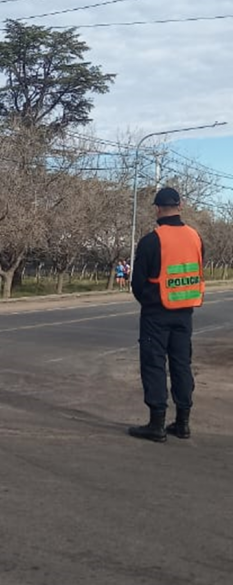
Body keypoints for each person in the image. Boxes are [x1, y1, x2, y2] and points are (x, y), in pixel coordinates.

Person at [127, 187, 204, 443]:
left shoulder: (152, 240)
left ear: (157, 209)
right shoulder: (195, 237)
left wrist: (150, 301)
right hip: (185, 313)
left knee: (154, 364)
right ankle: (182, 423)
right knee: (182, 365)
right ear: (180, 205)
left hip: (156, 314)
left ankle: (156, 424)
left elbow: (137, 284)